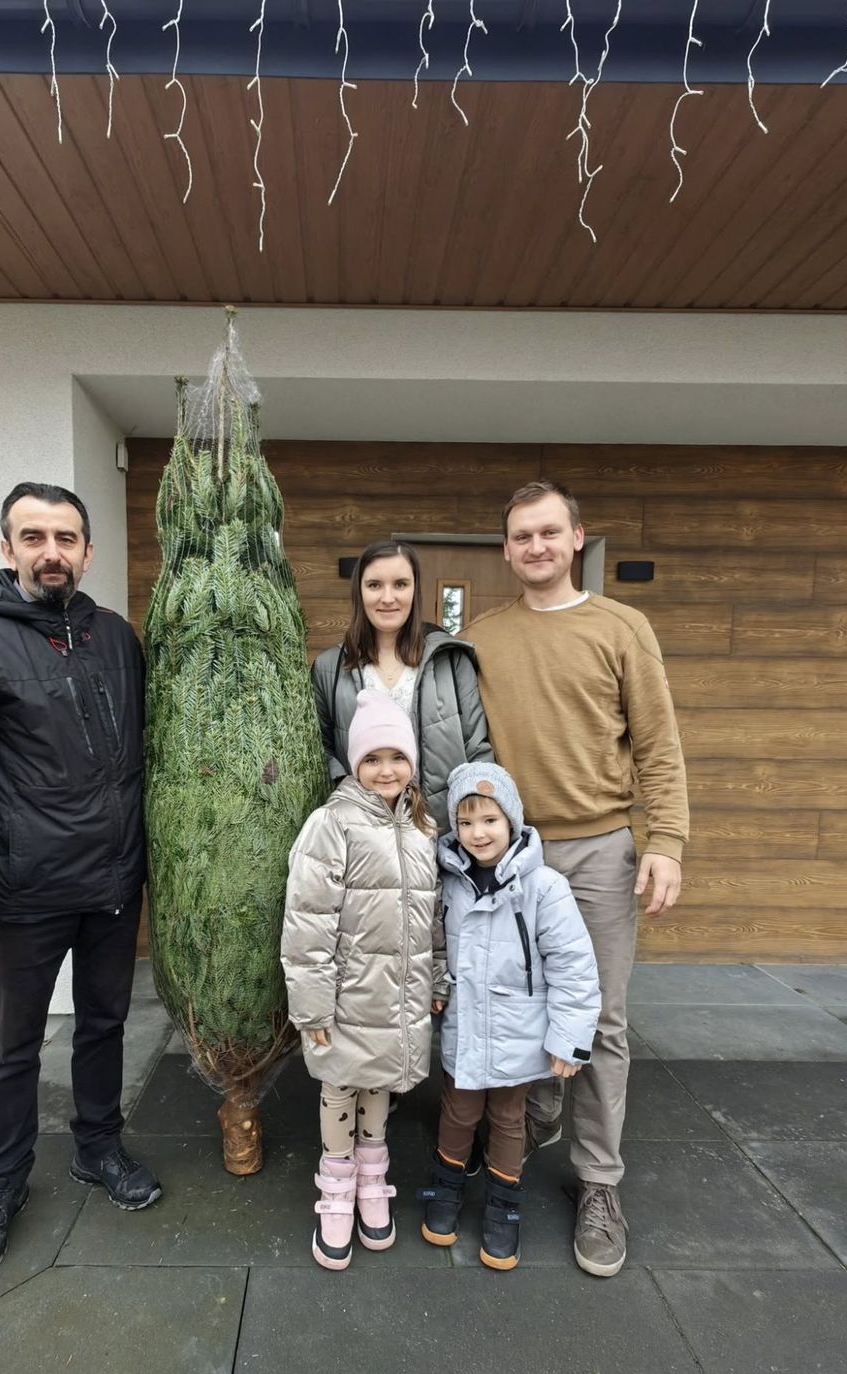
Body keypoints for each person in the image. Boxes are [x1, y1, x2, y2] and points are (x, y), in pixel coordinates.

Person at [0, 482, 161, 1286]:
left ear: (87, 551)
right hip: (24, 891)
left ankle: (98, 1147)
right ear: (6, 548)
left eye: (65, 538)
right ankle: (0, 1186)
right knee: (14, 1047)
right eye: (34, 537)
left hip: (112, 881)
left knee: (105, 1023)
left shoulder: (116, 637)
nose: (51, 553)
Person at [464, 481, 689, 1278]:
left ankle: (598, 1182)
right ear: (506, 550)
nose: (537, 546)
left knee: (601, 1020)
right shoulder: (482, 639)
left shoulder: (622, 627)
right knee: (518, 1000)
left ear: (576, 538)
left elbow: (658, 743)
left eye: (549, 532)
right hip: (513, 854)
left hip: (599, 849)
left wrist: (667, 840)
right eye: (522, 535)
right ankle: (532, 1117)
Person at [280, 691, 443, 1271]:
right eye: (372, 758)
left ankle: (373, 1177)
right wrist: (311, 1004)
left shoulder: (422, 828)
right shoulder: (332, 825)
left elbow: (434, 915)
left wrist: (437, 977)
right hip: (348, 993)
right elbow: (308, 918)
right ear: (354, 763)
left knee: (379, 1082)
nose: (386, 770)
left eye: (397, 757)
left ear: (412, 763)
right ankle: (336, 1186)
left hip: (398, 993)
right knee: (341, 1084)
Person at [420, 762, 601, 1270]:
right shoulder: (448, 883)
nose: (478, 833)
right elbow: (433, 943)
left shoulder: (543, 887)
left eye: (490, 820)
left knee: (507, 1118)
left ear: (513, 820)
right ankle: (445, 1188)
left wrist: (569, 1037)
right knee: (457, 1111)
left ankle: (503, 1208)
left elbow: (573, 965)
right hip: (465, 1028)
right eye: (466, 822)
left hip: (516, 1032)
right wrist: (435, 986)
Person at [313, 540, 492, 828]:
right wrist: (350, 797)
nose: (388, 597)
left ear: (414, 589)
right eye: (374, 585)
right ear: (359, 591)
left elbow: (477, 749)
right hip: (364, 834)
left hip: (443, 831)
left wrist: (477, 819)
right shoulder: (329, 668)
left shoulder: (451, 660)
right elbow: (322, 751)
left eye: (400, 584)